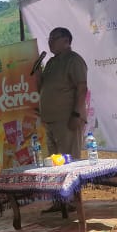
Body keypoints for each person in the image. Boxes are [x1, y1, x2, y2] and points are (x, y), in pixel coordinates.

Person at [37, 27, 89, 161]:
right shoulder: (51, 62)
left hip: (67, 120)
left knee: (68, 162)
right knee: (52, 164)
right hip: (49, 122)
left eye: (54, 38)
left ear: (66, 40)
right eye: (49, 39)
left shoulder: (74, 60)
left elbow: (82, 88)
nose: (50, 42)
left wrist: (76, 115)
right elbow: (43, 88)